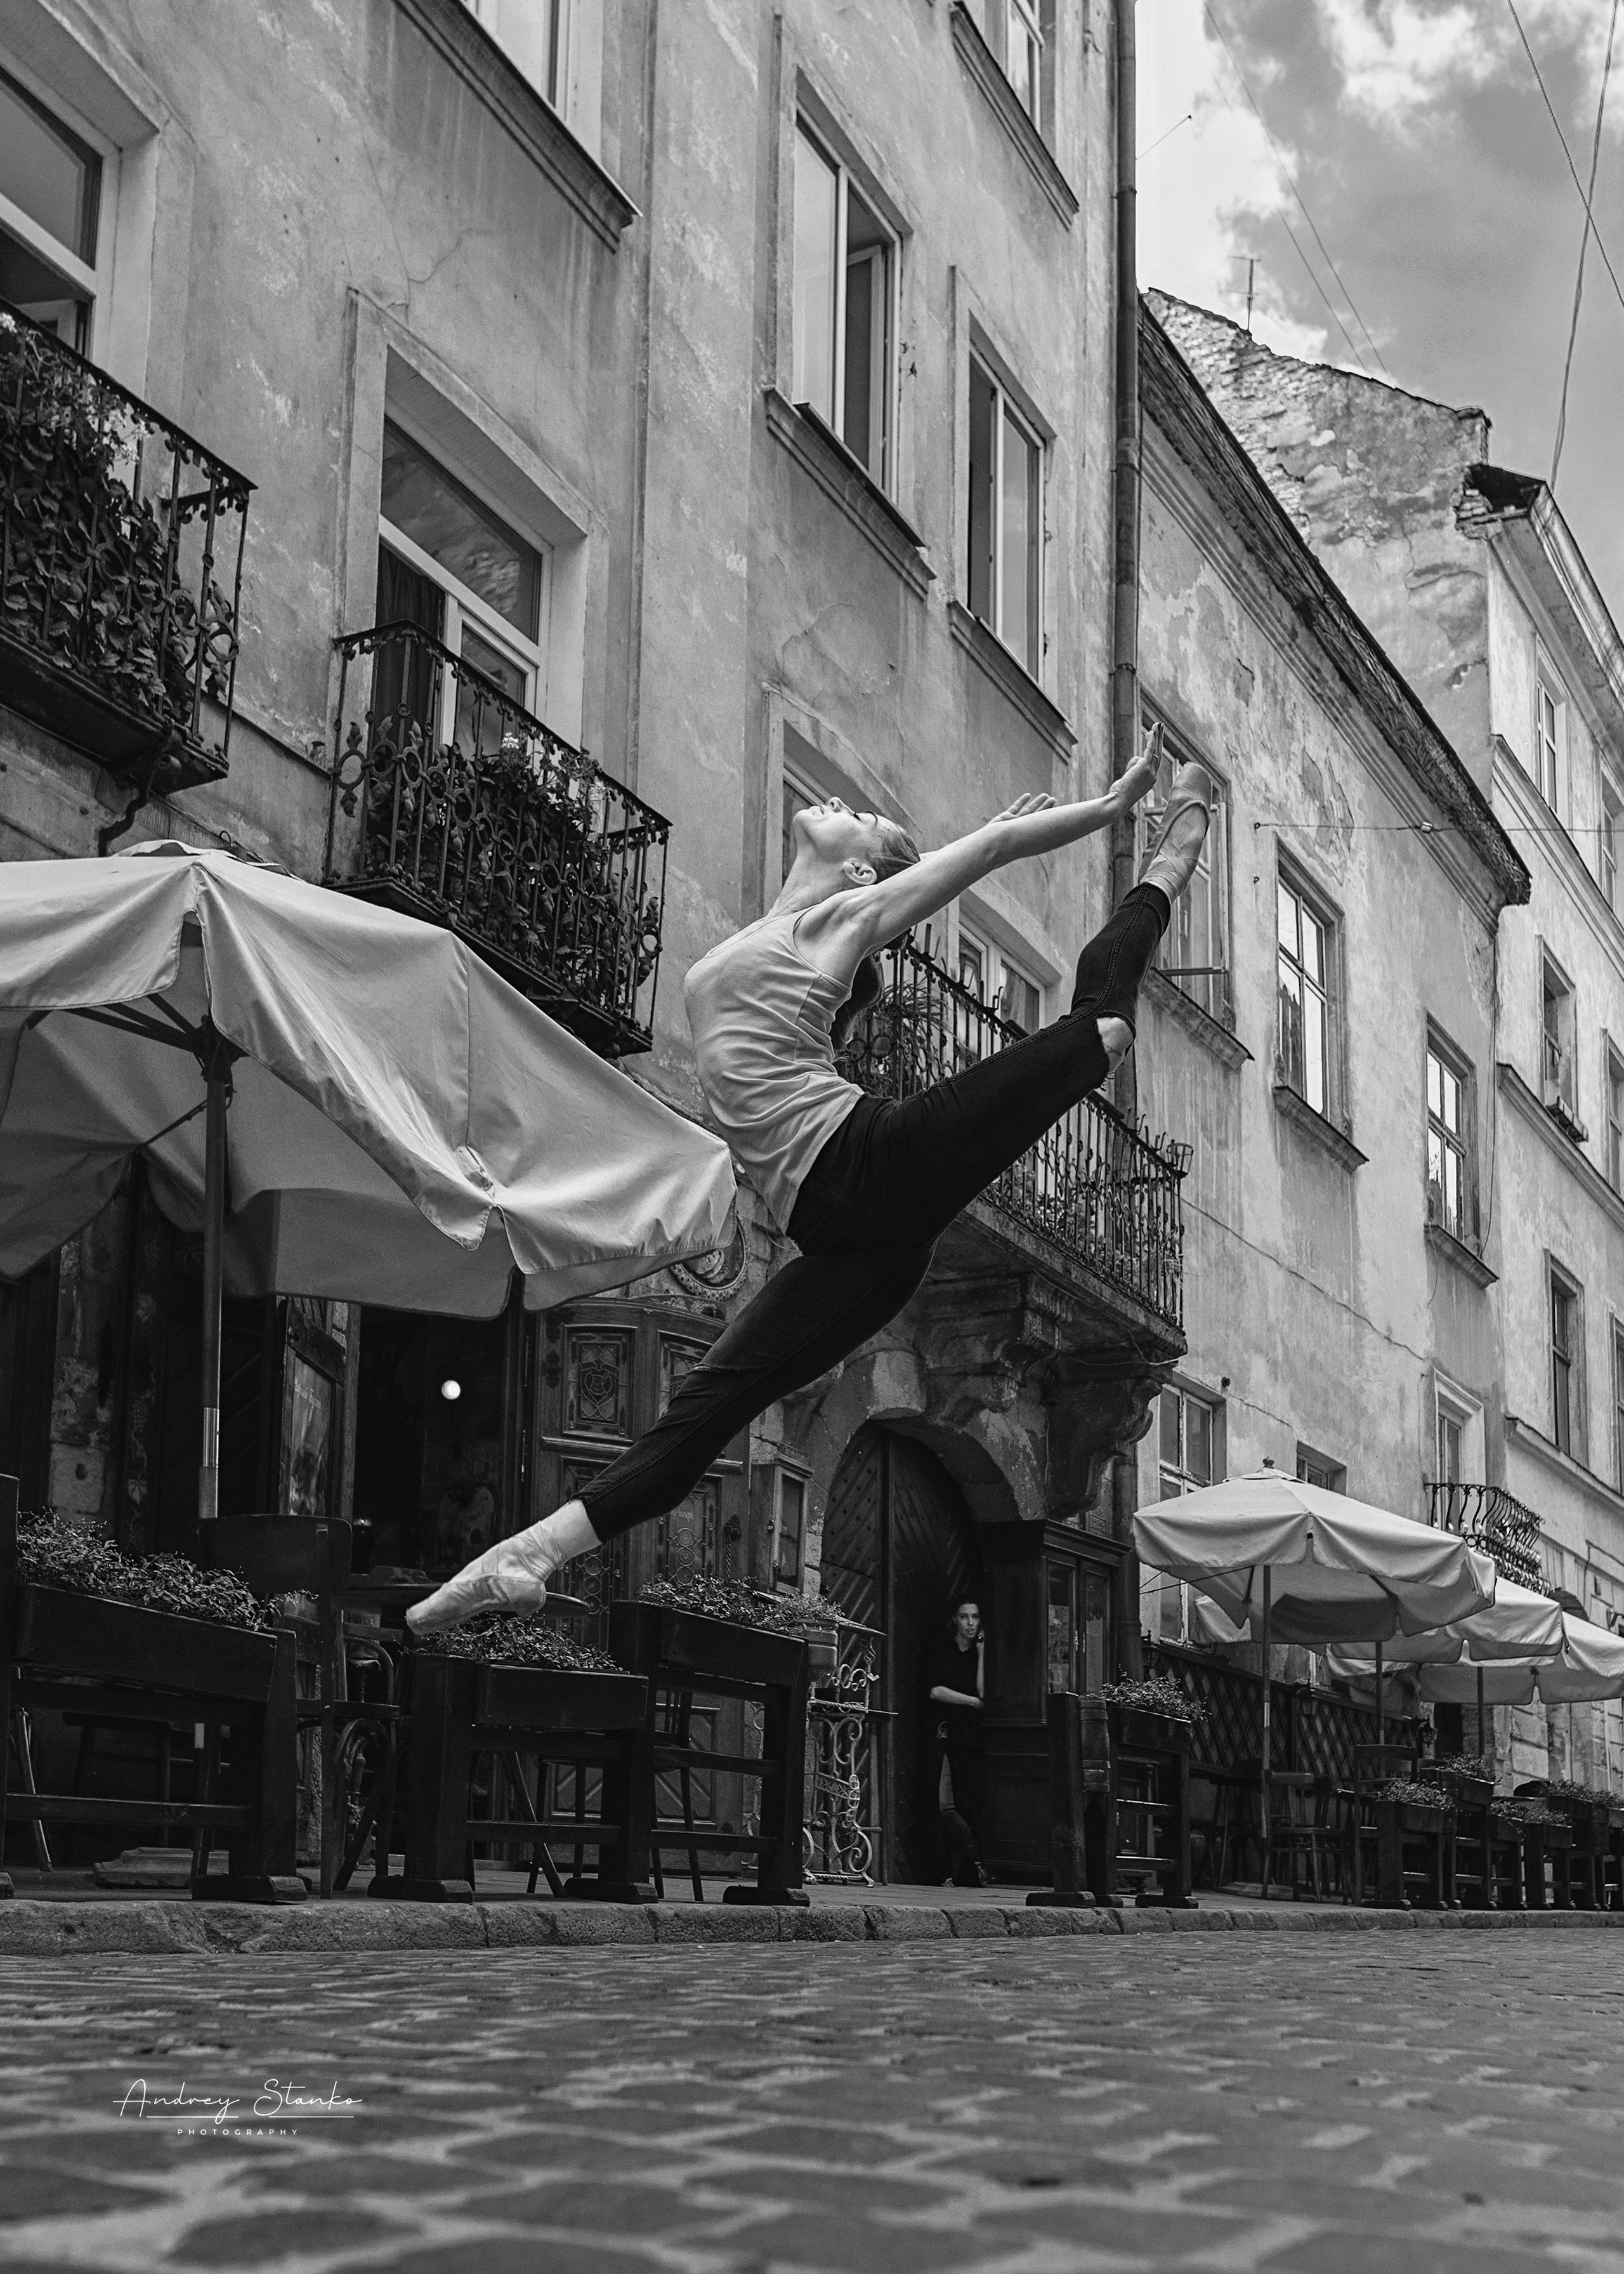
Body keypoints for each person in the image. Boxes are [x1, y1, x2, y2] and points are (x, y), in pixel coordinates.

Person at [409, 722, 1210, 1634]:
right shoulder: (777, 928)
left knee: (1101, 1033)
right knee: (713, 1400)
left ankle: (1173, 859)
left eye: (862, 817)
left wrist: (1108, 807)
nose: (844, 806)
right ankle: (527, 1555)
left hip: (871, 1162)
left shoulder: (846, 919)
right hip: (848, 1233)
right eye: (855, 807)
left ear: (865, 875)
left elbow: (988, 851)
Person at [930, 1597, 988, 1886]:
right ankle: (977, 1858)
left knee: (967, 1806)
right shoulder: (942, 1650)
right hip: (944, 1734)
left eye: (975, 1617)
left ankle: (961, 1871)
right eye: (964, 1617)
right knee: (944, 1806)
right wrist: (972, 1703)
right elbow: (936, 1690)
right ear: (955, 1619)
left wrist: (981, 1652)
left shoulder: (976, 1653)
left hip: (971, 1738)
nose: (969, 1623)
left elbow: (983, 1691)